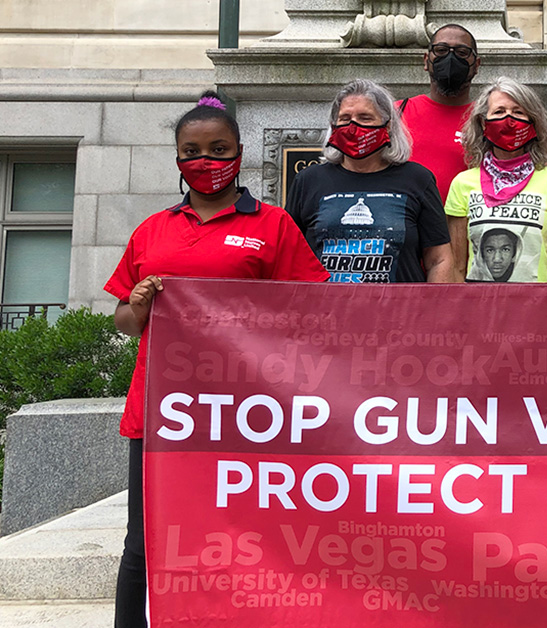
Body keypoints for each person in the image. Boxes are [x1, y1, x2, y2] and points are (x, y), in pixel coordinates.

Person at [104, 92, 329, 628]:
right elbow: (123, 320)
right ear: (178, 158)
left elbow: (311, 309)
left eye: (219, 149)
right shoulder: (152, 230)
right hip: (166, 413)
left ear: (240, 152)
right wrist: (135, 307)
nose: (206, 161)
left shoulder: (273, 225)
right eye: (193, 151)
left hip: (250, 412)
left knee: (252, 538)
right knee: (147, 540)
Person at [287, 79, 456, 283]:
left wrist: (430, 310)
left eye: (365, 118)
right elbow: (289, 257)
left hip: (399, 312)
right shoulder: (308, 181)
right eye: (345, 118)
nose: (353, 126)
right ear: (334, 125)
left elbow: (439, 259)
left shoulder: (418, 180)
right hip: (327, 311)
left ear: (388, 124)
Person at [444, 77, 547, 282]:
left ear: (533, 123)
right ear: (483, 122)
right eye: (499, 112)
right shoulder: (462, 183)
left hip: (538, 307)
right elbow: (457, 266)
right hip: (479, 309)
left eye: (518, 112)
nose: (509, 119)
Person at [397, 23, 481, 203]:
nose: (450, 58)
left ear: (476, 65)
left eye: (462, 52)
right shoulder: (395, 113)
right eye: (441, 50)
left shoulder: (488, 119)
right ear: (426, 60)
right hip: (408, 227)